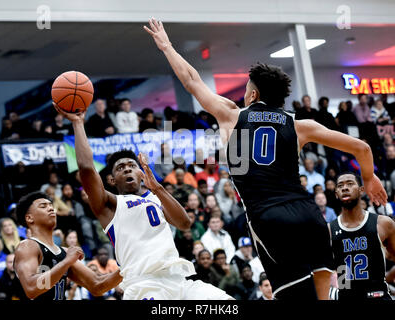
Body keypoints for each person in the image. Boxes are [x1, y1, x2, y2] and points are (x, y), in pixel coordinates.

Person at [144, 17, 387, 300]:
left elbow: (190, 80)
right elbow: (363, 149)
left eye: (247, 87)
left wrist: (167, 46)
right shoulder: (300, 125)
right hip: (309, 215)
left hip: (268, 217)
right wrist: (368, 178)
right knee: (326, 293)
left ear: (253, 94)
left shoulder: (231, 115)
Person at [53, 104, 232, 300]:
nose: (128, 169)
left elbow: (184, 223)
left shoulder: (156, 196)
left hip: (179, 281)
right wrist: (78, 123)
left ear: (141, 172)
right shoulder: (110, 205)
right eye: (121, 168)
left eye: (132, 165)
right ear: (112, 180)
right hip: (145, 285)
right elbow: (87, 169)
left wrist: (158, 188)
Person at [13, 191, 122, 300]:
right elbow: (32, 289)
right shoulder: (27, 246)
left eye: (51, 206)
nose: (51, 209)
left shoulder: (64, 252)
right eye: (43, 206)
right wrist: (67, 261)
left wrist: (128, 267)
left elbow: (97, 285)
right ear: (29, 218)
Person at [330, 172, 395, 300]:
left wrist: (388, 276)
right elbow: (322, 270)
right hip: (346, 296)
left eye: (350, 183)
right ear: (336, 194)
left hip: (376, 295)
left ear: (361, 190)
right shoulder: (329, 230)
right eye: (340, 185)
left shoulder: (383, 223)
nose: (344, 188)